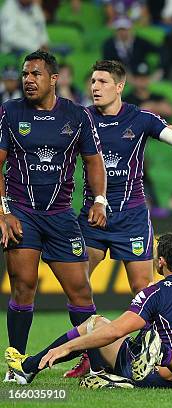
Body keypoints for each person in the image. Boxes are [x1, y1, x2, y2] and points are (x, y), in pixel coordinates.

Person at [65, 60, 172, 378]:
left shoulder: (140, 118)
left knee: (142, 289)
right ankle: (91, 355)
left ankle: (144, 355)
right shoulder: (82, 118)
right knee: (78, 287)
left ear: (119, 86)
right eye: (92, 81)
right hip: (93, 215)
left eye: (103, 81)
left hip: (131, 217)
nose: (95, 87)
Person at [0, 50, 107, 381]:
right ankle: (16, 365)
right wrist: (3, 212)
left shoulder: (77, 116)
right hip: (21, 212)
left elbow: (93, 162)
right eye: (25, 74)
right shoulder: (9, 112)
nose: (28, 80)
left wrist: (100, 200)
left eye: (35, 74)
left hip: (61, 217)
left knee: (80, 292)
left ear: (53, 79)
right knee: (24, 286)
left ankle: (95, 364)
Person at [5, 233, 172, 388]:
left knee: (96, 324)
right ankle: (100, 372)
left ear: (162, 262)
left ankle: (31, 366)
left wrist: (67, 348)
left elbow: (114, 332)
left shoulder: (156, 292)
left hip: (159, 371)